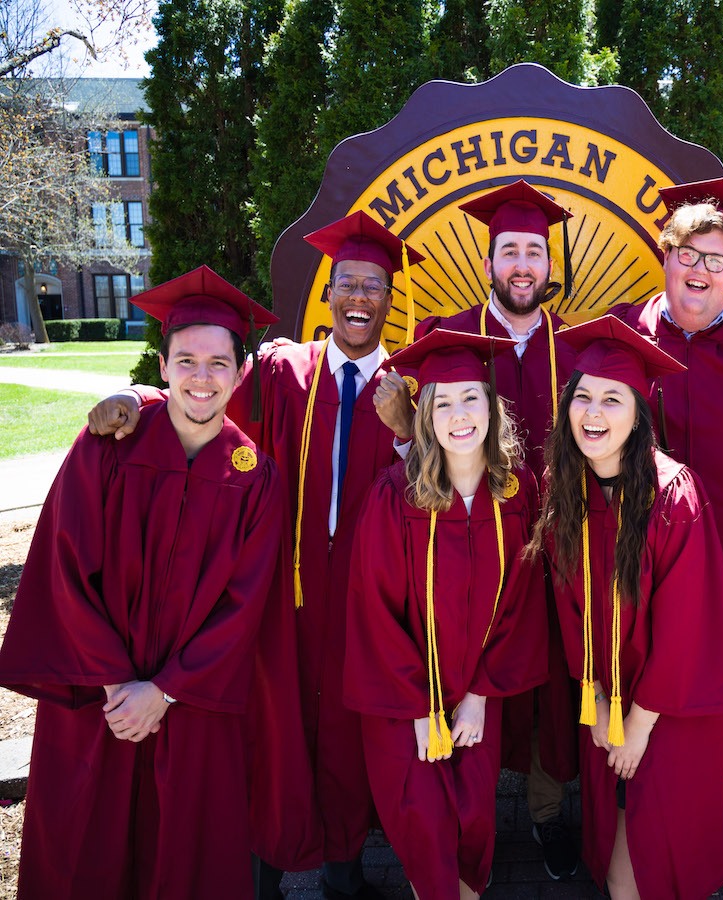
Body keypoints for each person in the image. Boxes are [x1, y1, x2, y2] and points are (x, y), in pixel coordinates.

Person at [85, 211, 423, 900]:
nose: (360, 297)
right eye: (348, 283)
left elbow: (434, 489)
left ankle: (344, 870)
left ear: (391, 300)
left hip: (365, 597)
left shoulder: (409, 388)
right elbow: (201, 396)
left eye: (373, 287)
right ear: (328, 295)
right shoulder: (280, 367)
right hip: (281, 587)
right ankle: (263, 871)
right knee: (273, 727)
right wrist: (136, 394)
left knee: (349, 729)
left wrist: (407, 433)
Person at [0, 267, 284, 899]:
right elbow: (64, 567)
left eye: (219, 362)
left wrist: (164, 691)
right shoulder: (108, 447)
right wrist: (117, 684)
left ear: (241, 373)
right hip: (96, 701)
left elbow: (243, 608)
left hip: (190, 709)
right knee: (85, 852)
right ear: (162, 365)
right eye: (187, 360)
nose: (202, 378)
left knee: (183, 861)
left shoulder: (254, 478)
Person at [526, 315, 723, 899]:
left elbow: (687, 625)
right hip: (606, 705)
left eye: (612, 398)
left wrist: (640, 724)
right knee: (622, 862)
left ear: (640, 411)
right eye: (584, 396)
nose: (593, 413)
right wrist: (596, 697)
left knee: (666, 852)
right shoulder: (565, 492)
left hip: (671, 711)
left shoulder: (672, 494)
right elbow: (569, 609)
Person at [398, 179, 581, 878]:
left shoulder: (575, 346)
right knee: (465, 665)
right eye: (510, 251)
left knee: (552, 687)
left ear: (547, 263)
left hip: (559, 547)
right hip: (469, 545)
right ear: (489, 264)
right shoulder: (443, 343)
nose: (523, 264)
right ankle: (457, 816)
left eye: (534, 250)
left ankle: (543, 811)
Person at [608, 176, 723, 885]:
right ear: (665, 255)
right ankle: (637, 800)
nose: (702, 270)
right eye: (689, 254)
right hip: (643, 549)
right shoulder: (627, 332)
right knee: (646, 660)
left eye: (718, 259)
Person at [344, 329, 548, 900]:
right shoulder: (393, 496)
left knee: (474, 827)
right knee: (425, 829)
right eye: (443, 403)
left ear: (492, 406)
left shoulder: (517, 493)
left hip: (478, 697)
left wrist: (482, 693)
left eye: (471, 399)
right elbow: (376, 615)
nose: (459, 415)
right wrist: (417, 709)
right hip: (403, 705)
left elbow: (523, 601)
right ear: (424, 416)